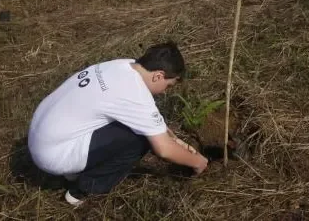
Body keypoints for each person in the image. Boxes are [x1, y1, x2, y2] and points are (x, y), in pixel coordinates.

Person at [27, 42, 208, 207]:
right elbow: (164, 150)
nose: (164, 92)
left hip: (41, 137)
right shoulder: (135, 94)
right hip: (52, 156)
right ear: (158, 76)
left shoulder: (124, 66)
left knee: (141, 129)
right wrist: (199, 162)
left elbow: (153, 121)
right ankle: (83, 190)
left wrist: (177, 141)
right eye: (168, 86)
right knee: (140, 138)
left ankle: (72, 171)